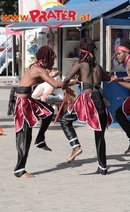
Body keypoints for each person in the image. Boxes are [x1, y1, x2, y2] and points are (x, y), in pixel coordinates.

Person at [13, 46, 75, 178]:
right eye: (52, 60)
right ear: (46, 59)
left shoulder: (34, 67)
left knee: (48, 112)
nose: (53, 63)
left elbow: (36, 79)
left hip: (29, 100)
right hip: (23, 104)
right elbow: (55, 84)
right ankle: (20, 169)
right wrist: (76, 81)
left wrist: (49, 75)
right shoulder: (38, 69)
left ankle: (40, 140)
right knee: (24, 136)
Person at [60, 37, 112, 175]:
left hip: (87, 100)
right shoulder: (98, 67)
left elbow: (66, 79)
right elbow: (108, 78)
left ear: (82, 52)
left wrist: (65, 88)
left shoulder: (80, 64)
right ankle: (103, 167)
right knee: (100, 135)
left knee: (64, 120)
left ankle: (75, 146)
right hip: (99, 99)